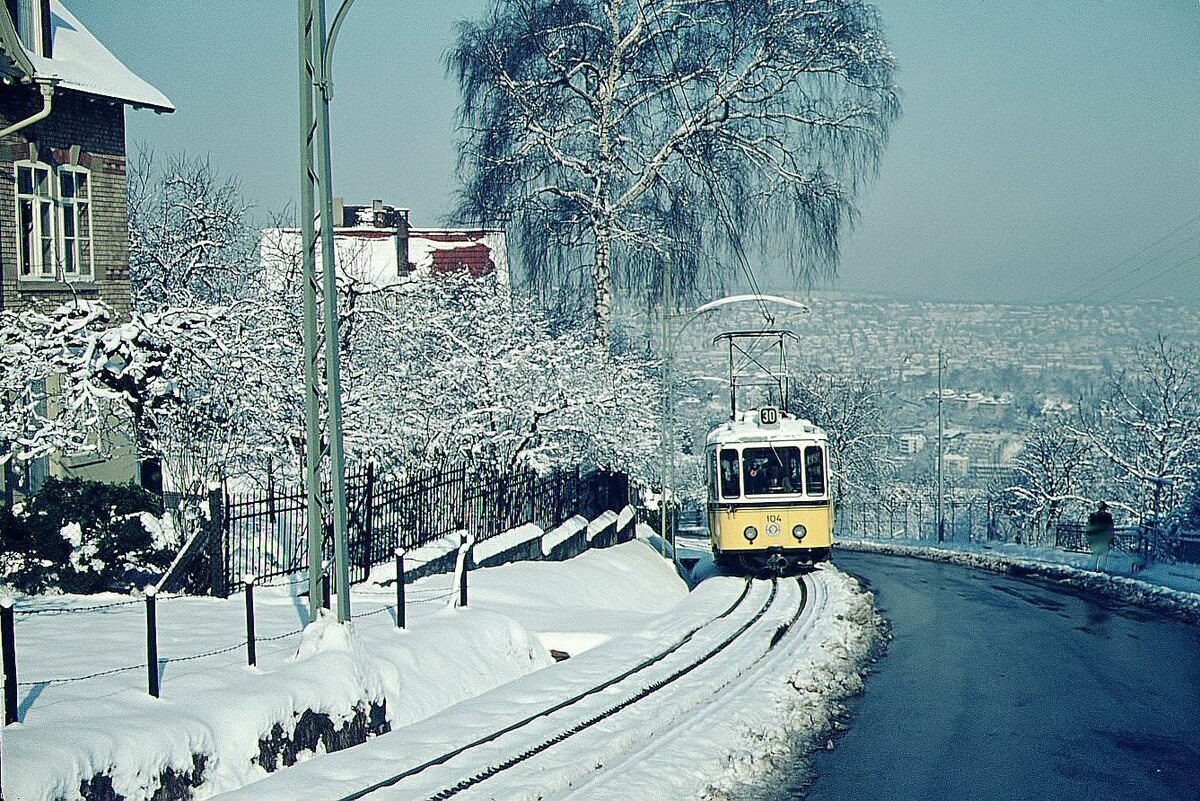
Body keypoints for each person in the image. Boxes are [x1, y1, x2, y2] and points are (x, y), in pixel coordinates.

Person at [1085, 501, 1115, 571]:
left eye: (1104, 509)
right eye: (1102, 509)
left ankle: (1101, 569)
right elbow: (1089, 528)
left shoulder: (1108, 516)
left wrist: (1111, 539)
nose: (1103, 510)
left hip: (1104, 539)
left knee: (1103, 555)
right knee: (1096, 555)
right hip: (1096, 539)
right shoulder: (1093, 516)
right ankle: (1093, 568)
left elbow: (1111, 528)